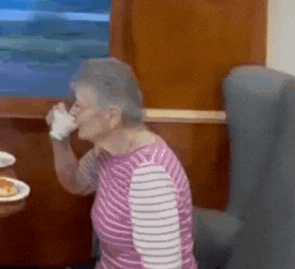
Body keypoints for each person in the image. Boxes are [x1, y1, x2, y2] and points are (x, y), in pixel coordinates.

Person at [46, 58, 197, 269]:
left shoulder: (149, 175)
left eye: (80, 107)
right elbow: (75, 183)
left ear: (112, 116)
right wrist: (58, 137)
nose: (72, 114)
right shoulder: (109, 153)